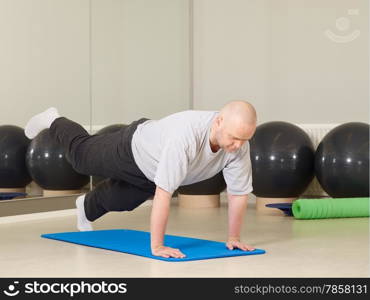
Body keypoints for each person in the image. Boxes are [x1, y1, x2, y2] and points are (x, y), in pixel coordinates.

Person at [24, 100, 257, 259]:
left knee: (122, 200)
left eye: (244, 139)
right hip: (132, 147)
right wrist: (157, 246)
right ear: (218, 122)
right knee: (81, 159)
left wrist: (234, 237)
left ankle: (85, 206)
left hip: (152, 169)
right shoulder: (185, 136)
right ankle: (54, 119)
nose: (238, 145)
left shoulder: (239, 148)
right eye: (234, 138)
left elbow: (238, 193)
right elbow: (164, 194)